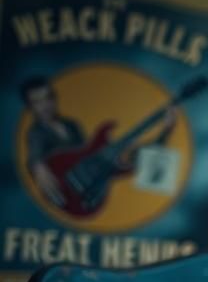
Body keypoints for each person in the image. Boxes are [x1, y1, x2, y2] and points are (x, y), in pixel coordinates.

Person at [20, 75, 177, 209]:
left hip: (93, 178)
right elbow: (35, 152)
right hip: (71, 191)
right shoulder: (36, 133)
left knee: (142, 159)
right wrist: (37, 165)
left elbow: (86, 152)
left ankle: (165, 132)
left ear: (54, 98)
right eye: (37, 102)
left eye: (48, 98)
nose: (45, 105)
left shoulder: (71, 124)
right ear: (30, 107)